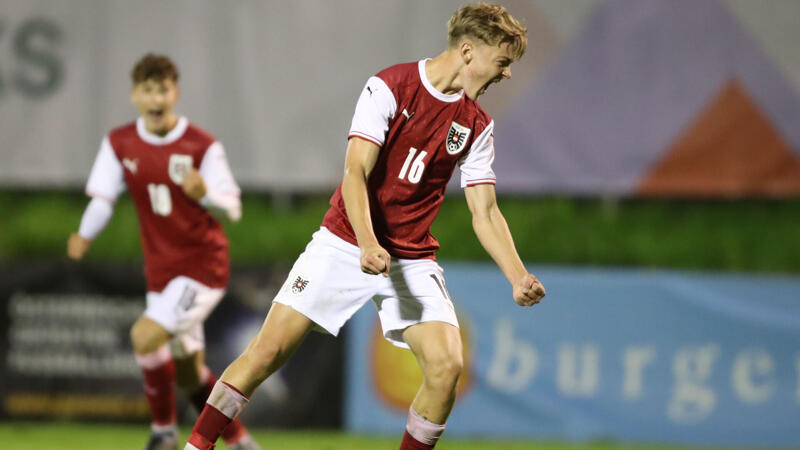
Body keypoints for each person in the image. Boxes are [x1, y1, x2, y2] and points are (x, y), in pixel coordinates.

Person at [185, 3, 545, 449]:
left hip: (410, 259)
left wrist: (517, 275)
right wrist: (368, 244)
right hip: (344, 241)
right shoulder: (390, 86)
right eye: (503, 62)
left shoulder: (476, 125)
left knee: (447, 366)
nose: (506, 75)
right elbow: (355, 171)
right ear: (469, 52)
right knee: (267, 352)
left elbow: (485, 210)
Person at [67, 53, 260, 450]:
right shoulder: (120, 143)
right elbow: (103, 198)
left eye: (164, 89)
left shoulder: (200, 145)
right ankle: (242, 443)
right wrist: (84, 234)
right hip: (162, 274)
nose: (157, 98)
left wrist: (205, 194)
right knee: (190, 376)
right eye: (148, 90)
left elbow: (233, 206)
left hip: (202, 269)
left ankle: (163, 432)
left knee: (144, 335)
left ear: (176, 93)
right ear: (135, 95)